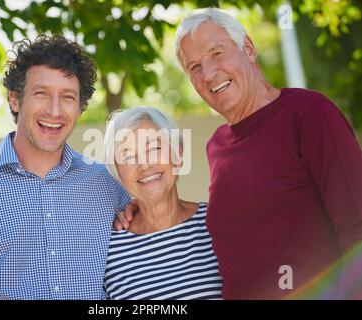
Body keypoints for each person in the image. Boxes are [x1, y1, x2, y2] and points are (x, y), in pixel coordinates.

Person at [117, 8, 362, 299]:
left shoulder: (308, 114)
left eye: (217, 52)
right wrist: (140, 205)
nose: (208, 73)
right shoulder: (217, 146)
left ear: (248, 48)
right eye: (194, 67)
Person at [0, 35, 130, 299]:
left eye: (67, 97)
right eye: (41, 93)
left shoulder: (107, 184)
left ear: (80, 108)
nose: (54, 111)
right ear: (15, 100)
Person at [103, 106, 222, 299]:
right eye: (128, 155)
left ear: (179, 155)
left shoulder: (218, 223)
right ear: (117, 173)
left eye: (154, 148)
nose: (145, 165)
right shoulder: (109, 251)